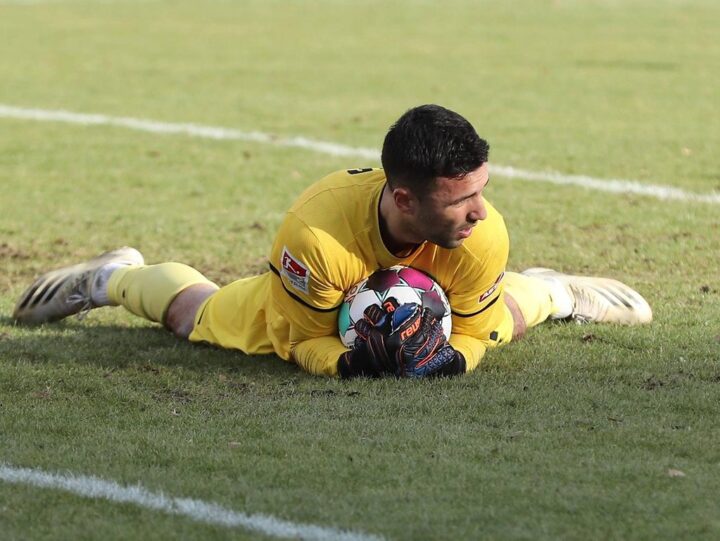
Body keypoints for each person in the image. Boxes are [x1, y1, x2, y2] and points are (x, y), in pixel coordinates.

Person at [12, 105, 652, 378]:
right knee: (195, 316)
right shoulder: (314, 240)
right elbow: (302, 340)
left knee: (506, 314)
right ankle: (114, 277)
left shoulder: (483, 233)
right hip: (307, 304)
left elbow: (476, 331)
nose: (480, 212)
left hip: (448, 292)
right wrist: (346, 363)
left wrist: (452, 359)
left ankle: (557, 290)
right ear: (405, 199)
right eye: (461, 200)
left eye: (482, 190)